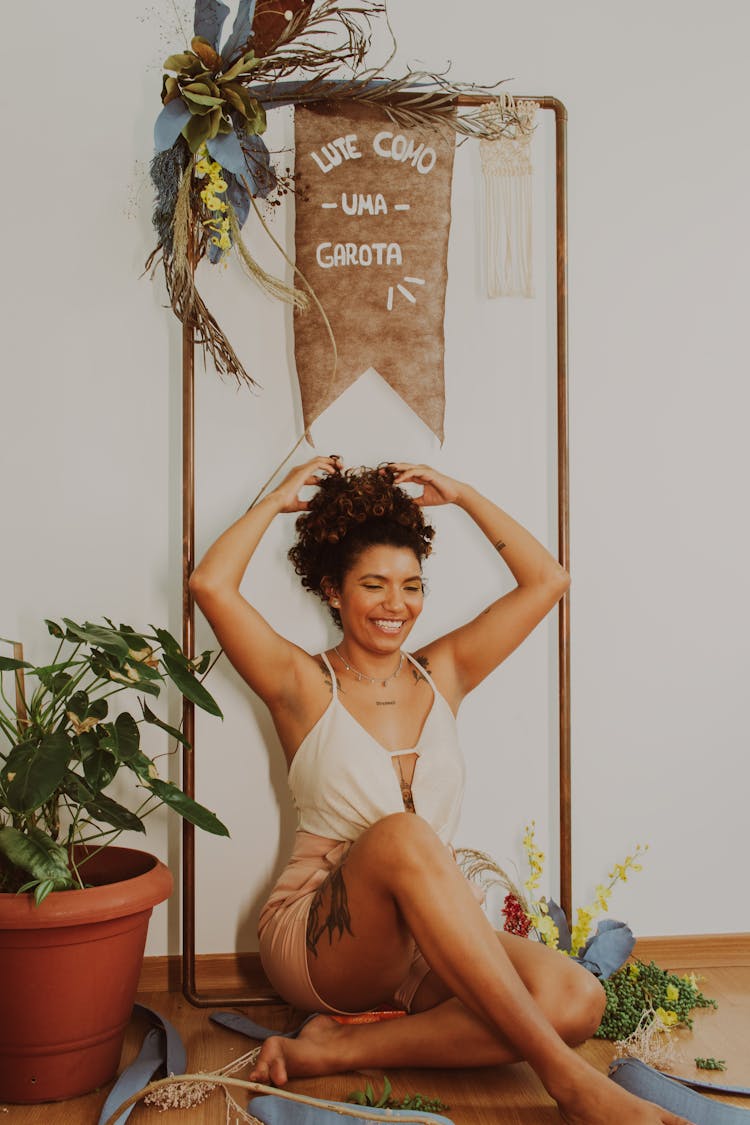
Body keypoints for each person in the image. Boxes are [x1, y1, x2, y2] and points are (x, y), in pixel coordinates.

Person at [190, 456, 692, 1125]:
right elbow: (210, 583)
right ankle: (569, 1081)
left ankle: (340, 1046)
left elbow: (547, 579)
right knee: (401, 834)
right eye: (374, 584)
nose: (397, 604)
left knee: (577, 998)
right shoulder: (300, 683)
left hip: (426, 937)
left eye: (412, 584)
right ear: (333, 590)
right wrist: (279, 498)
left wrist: (464, 495)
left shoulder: (443, 671)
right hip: (323, 934)